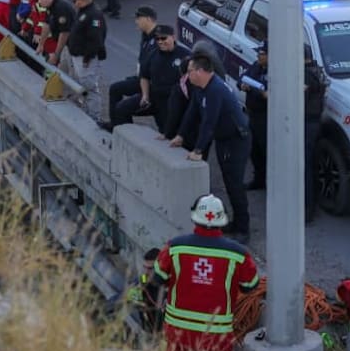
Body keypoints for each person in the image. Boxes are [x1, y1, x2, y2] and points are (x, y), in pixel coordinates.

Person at [152, 194, 260, 351]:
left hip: (178, 328)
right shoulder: (239, 254)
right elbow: (250, 286)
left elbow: (158, 279)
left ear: (195, 217)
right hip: (216, 330)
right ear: (221, 220)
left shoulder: (174, 247)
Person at [171, 53, 252, 246]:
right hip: (224, 138)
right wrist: (180, 135)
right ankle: (235, 222)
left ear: (200, 71)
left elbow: (209, 122)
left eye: (190, 71)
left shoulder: (215, 89)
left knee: (234, 182)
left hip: (236, 139)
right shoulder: (200, 88)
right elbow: (192, 112)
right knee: (227, 179)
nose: (187, 75)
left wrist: (198, 150)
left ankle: (243, 227)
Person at [113, 25, 190, 133]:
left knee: (167, 132)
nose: (160, 42)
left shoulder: (185, 55)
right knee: (121, 109)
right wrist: (145, 95)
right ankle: (129, 136)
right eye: (157, 39)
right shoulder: (153, 54)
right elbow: (144, 76)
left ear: (173, 37)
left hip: (171, 101)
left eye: (163, 38)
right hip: (153, 97)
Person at [102, 5, 159, 131]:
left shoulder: (158, 38)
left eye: (139, 18)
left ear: (149, 19)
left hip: (153, 84)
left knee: (123, 108)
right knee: (115, 89)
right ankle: (115, 125)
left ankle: (126, 132)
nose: (136, 21)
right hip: (142, 78)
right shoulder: (145, 35)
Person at [66, 0, 107, 121]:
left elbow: (96, 39)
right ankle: (86, 109)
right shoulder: (84, 12)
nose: (74, 3)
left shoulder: (94, 14)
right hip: (79, 56)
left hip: (86, 58)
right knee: (82, 84)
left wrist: (88, 57)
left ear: (81, 0)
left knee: (90, 87)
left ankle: (94, 117)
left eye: (75, 0)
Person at [303, 48, 327, 224]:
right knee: (309, 165)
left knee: (305, 167)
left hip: (307, 123)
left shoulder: (305, 75)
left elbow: (298, 98)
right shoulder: (316, 70)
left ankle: (308, 210)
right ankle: (311, 206)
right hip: (315, 121)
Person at [241, 43, 269, 191]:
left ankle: (270, 181)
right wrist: (243, 85)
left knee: (266, 150)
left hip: (266, 117)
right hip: (252, 114)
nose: (258, 56)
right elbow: (243, 77)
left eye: (262, 54)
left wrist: (257, 91)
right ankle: (259, 179)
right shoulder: (256, 66)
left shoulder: (275, 71)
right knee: (254, 149)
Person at [36, 0, 75, 67]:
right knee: (63, 70)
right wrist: (41, 45)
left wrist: (56, 55)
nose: (39, 2)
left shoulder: (61, 8)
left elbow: (64, 34)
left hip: (74, 46)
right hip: (66, 46)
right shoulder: (50, 6)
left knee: (73, 74)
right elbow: (46, 25)